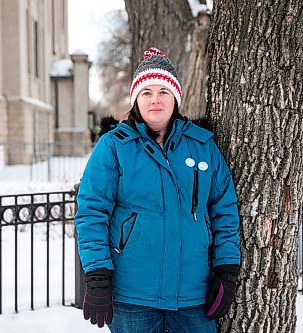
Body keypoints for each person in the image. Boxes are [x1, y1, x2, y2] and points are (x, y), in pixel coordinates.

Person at [75, 47, 241, 332]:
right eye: (147, 92)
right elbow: (91, 212)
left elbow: (224, 209)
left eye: (163, 91)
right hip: (133, 295)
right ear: (136, 99)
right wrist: (97, 274)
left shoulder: (203, 146)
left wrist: (227, 268)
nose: (155, 100)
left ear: (175, 98)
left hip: (194, 293)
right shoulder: (114, 146)